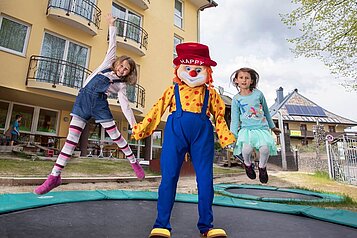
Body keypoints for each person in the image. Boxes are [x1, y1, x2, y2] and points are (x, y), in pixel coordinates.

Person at [34, 14, 145, 195]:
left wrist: (133, 123)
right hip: (82, 101)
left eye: (126, 69)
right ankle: (54, 177)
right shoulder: (108, 64)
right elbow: (113, 45)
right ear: (118, 63)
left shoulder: (121, 85)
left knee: (116, 136)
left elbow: (125, 105)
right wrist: (111, 25)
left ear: (129, 73)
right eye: (122, 65)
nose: (122, 69)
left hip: (99, 105)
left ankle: (133, 160)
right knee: (71, 140)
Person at [133, 42, 235, 238]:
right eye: (188, 68)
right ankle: (161, 224)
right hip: (175, 131)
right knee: (169, 177)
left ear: (206, 71)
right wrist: (141, 129)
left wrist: (226, 138)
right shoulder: (172, 90)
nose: (193, 73)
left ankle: (206, 227)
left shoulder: (211, 93)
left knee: (205, 179)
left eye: (198, 69)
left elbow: (220, 117)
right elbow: (156, 111)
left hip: (202, 133)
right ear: (180, 69)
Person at [230, 67, 281, 183]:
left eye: (247, 78)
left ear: (251, 81)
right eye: (241, 78)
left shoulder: (258, 94)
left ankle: (262, 167)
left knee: (265, 149)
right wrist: (233, 134)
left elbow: (267, 112)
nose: (244, 80)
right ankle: (247, 164)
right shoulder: (236, 99)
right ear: (236, 80)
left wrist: (272, 127)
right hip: (246, 129)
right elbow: (234, 119)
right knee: (246, 150)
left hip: (261, 128)